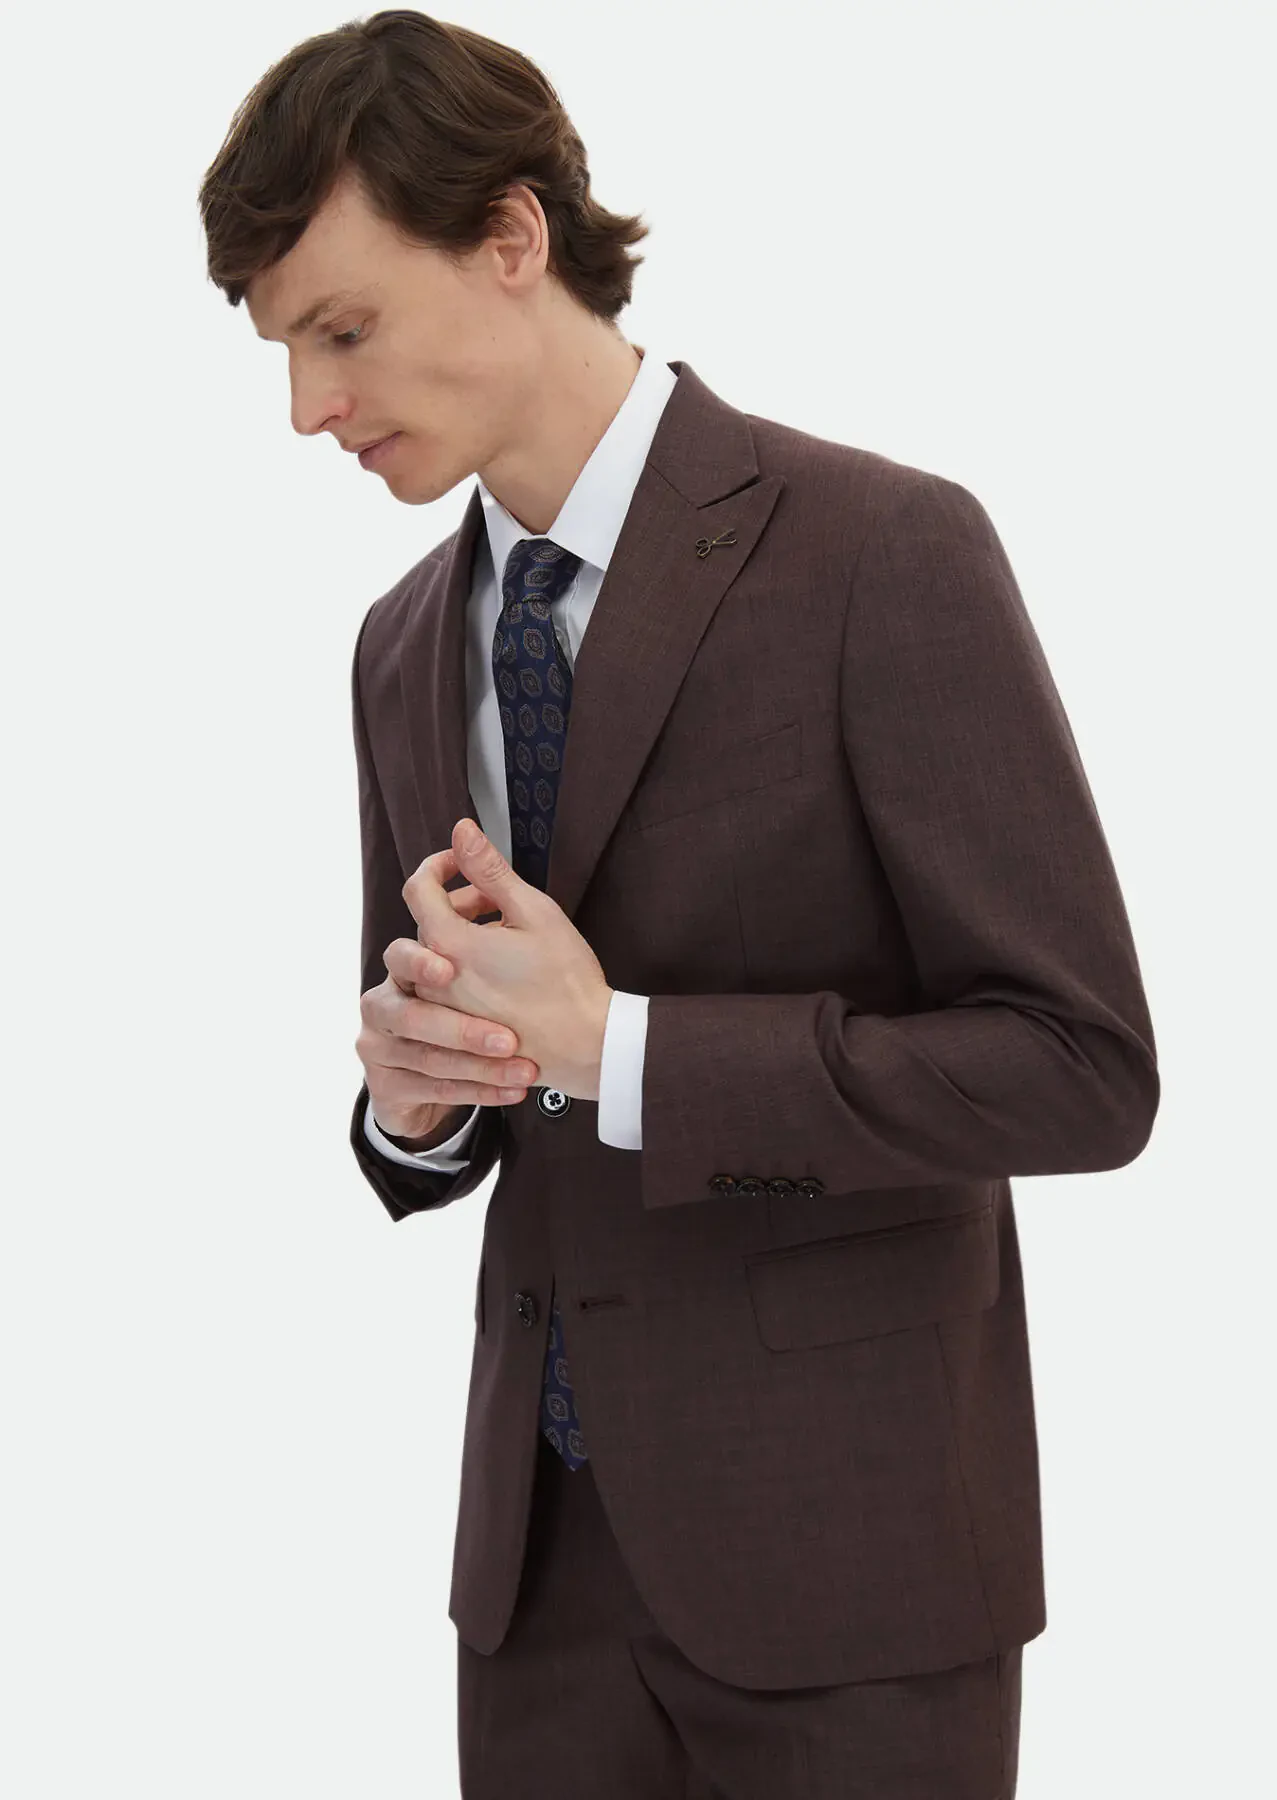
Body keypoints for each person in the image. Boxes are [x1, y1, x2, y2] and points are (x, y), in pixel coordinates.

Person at [199, 12, 1159, 1796]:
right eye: (283, 352)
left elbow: (1081, 1070)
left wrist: (626, 1052)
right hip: (537, 1588)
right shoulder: (403, 644)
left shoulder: (881, 551)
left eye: (341, 330)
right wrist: (412, 1106)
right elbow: (457, 1098)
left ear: (510, 235)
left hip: (854, 1577)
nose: (306, 408)